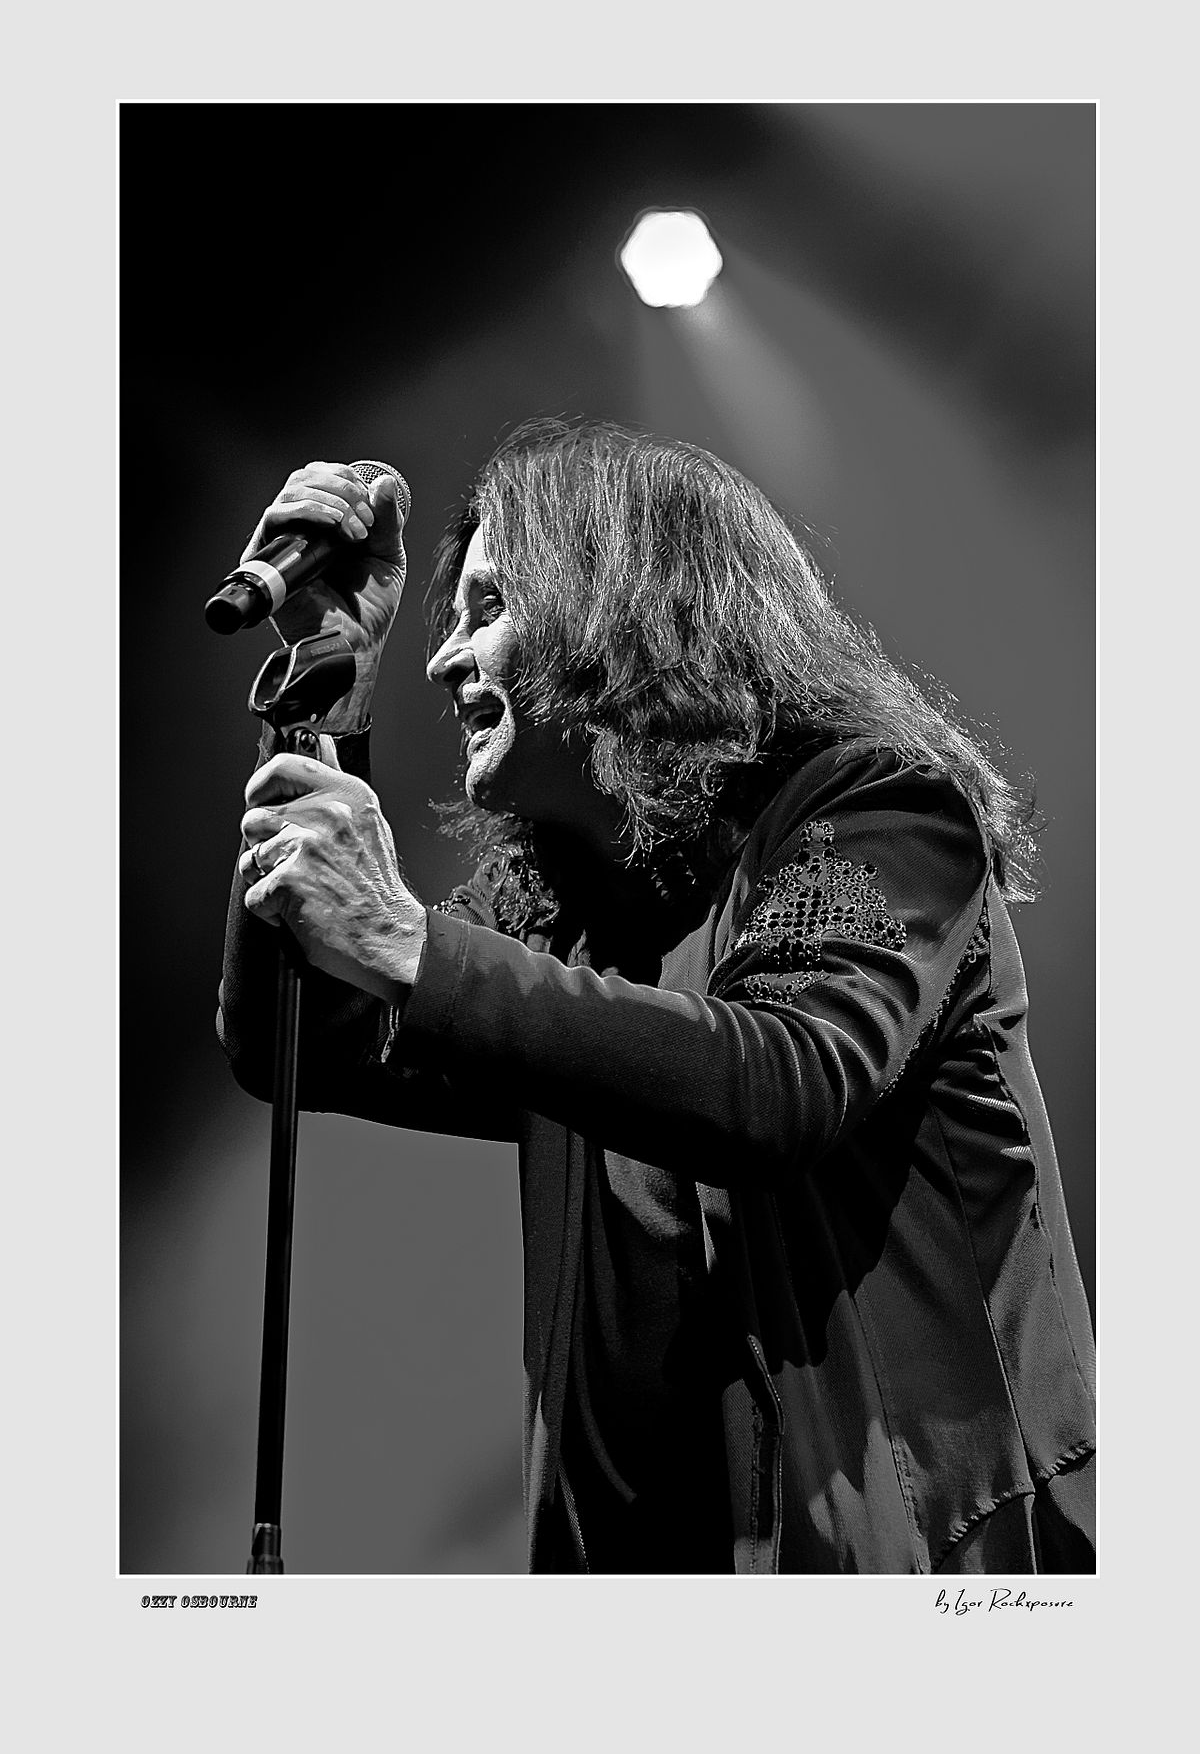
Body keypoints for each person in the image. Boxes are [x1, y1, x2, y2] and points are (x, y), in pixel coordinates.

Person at [218, 419, 1096, 1574]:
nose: (441, 661)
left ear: (619, 606)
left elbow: (778, 1083)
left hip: (925, 1580)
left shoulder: (880, 815)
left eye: (488, 610)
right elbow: (316, 1045)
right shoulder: (578, 923)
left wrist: (404, 935)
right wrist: (324, 703)